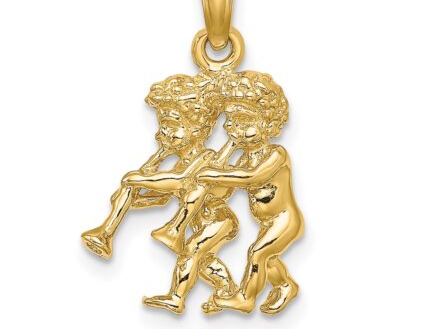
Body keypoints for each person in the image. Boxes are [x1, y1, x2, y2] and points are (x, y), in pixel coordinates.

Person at [81, 74, 237, 311]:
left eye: (172, 126)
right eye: (162, 126)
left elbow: (179, 182)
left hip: (218, 219)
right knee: (203, 261)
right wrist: (130, 200)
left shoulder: (207, 158)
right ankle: (226, 290)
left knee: (192, 251)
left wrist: (139, 178)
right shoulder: (180, 162)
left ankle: (177, 298)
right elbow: (163, 198)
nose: (163, 133)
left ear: (197, 129)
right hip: (198, 221)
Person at [196, 70, 304, 314]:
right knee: (268, 258)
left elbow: (252, 177)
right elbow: (225, 191)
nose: (236, 130)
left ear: (268, 124)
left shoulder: (276, 154)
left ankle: (245, 298)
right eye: (231, 123)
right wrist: (221, 159)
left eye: (245, 123)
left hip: (285, 220)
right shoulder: (245, 158)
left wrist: (215, 175)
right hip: (267, 222)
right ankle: (285, 286)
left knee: (257, 254)